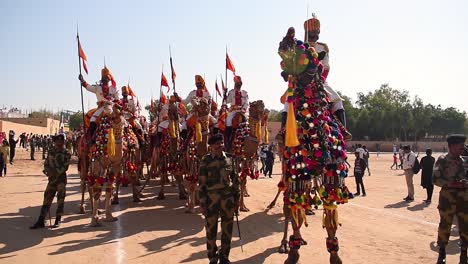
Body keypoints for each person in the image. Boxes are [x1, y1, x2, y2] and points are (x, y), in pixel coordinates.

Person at [304, 14, 352, 140]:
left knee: (337, 100)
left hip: (320, 80)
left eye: (316, 31)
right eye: (311, 32)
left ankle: (343, 130)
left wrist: (321, 80)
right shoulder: (299, 47)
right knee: (288, 102)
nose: (314, 34)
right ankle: (283, 132)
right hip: (302, 82)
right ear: (307, 32)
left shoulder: (323, 47)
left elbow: (326, 66)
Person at [198, 133, 240, 264]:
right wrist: (202, 203)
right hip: (211, 201)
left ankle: (224, 256)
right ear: (210, 146)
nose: (219, 146)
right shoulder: (206, 160)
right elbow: (202, 183)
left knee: (227, 230)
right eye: (216, 143)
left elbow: (235, 179)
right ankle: (212, 256)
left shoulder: (229, 159)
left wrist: (237, 200)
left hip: (228, 200)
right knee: (211, 231)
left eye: (221, 143)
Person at [433, 134, 468, 264]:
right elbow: (435, 179)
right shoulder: (442, 160)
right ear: (452, 146)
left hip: (464, 200)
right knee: (445, 225)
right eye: (460, 145)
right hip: (447, 200)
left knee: (465, 226)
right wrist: (452, 184)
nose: (463, 147)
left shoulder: (465, 161)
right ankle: (442, 253)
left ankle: (464, 254)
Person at [30, 134, 72, 229]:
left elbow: (65, 167)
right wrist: (47, 171)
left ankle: (58, 219)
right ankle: (41, 220)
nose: (59, 142)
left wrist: (54, 172)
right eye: (57, 141)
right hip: (52, 180)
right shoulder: (51, 151)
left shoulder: (67, 152)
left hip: (61, 179)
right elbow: (46, 163)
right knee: (47, 198)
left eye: (61, 141)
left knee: (60, 199)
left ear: (64, 142)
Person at [78, 67, 119, 142]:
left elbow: (117, 100)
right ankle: (90, 139)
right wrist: (82, 80)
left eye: (106, 78)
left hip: (112, 108)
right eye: (103, 78)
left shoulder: (113, 89)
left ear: (109, 79)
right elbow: (88, 87)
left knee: (123, 121)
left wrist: (116, 104)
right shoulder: (97, 87)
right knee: (93, 120)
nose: (105, 79)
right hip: (101, 108)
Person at [225, 76, 249, 151]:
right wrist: (225, 94)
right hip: (233, 111)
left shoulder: (245, 93)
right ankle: (228, 141)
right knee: (228, 122)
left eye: (239, 83)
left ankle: (246, 140)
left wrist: (243, 109)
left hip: (242, 111)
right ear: (235, 84)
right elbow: (227, 101)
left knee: (246, 123)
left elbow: (247, 102)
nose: (238, 84)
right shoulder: (231, 92)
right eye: (237, 83)